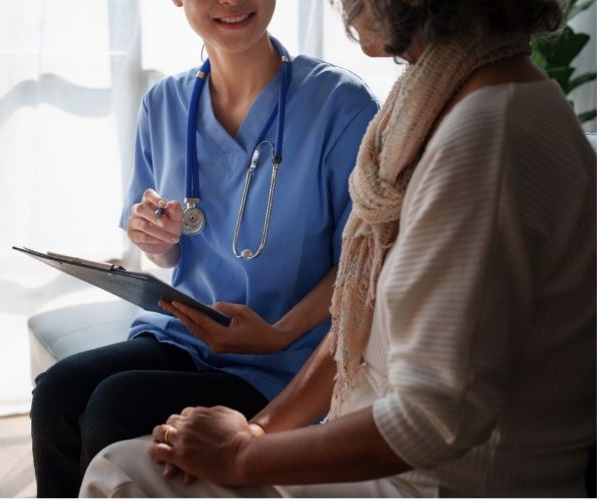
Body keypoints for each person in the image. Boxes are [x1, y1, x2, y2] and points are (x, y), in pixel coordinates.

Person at [79, 0, 597, 497]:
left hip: (437, 485)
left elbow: (431, 420)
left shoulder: (483, 138)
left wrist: (239, 456)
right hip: (403, 459)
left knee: (121, 475)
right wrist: (257, 433)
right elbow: (360, 322)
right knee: (95, 421)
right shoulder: (453, 106)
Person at [30, 0, 378, 496]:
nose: (232, 3)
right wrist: (155, 237)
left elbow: (364, 264)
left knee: (114, 405)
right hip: (189, 338)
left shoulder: (340, 105)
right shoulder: (163, 104)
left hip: (290, 360)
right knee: (58, 394)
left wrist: (278, 334)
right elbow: (168, 254)